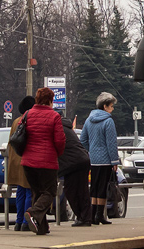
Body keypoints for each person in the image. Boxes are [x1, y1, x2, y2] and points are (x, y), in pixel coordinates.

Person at [20, 87, 65, 235]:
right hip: (47, 161)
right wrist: (57, 153)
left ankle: (41, 227)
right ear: (50, 101)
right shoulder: (54, 116)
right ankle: (33, 213)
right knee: (50, 192)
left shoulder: (27, 114)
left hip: (28, 162)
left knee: (37, 193)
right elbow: (60, 140)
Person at [80, 92, 120, 225]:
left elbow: (83, 139)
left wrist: (91, 149)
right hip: (105, 159)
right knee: (102, 187)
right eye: (111, 106)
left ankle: (92, 215)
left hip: (93, 159)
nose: (112, 109)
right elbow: (111, 143)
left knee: (94, 187)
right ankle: (99, 215)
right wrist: (115, 161)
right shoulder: (108, 121)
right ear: (105, 106)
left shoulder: (88, 119)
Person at [58, 112, 92, 226]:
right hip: (81, 160)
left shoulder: (59, 128)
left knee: (72, 191)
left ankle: (84, 217)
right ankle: (84, 217)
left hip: (74, 163)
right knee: (81, 190)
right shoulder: (66, 127)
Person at [6, 96, 34, 232]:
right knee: (29, 190)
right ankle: (25, 222)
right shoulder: (30, 120)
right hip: (26, 159)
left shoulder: (16, 121)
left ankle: (18, 222)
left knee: (20, 192)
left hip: (15, 160)